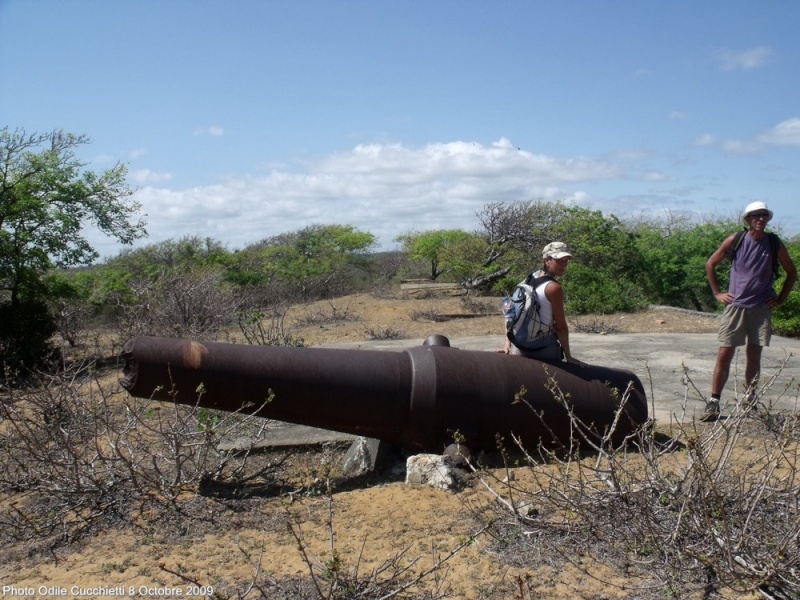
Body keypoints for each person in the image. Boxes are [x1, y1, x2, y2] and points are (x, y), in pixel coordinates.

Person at [702, 201, 797, 421]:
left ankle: (749, 399)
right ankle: (714, 402)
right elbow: (710, 264)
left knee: (754, 355)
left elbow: (791, 272)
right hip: (736, 307)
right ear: (748, 219)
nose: (760, 219)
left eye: (764, 215)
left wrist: (781, 299)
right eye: (756, 215)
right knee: (724, 354)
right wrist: (717, 292)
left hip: (761, 308)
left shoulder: (774, 243)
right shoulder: (736, 240)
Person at [502, 241, 581, 364]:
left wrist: (508, 343)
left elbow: (510, 314)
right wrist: (569, 357)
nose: (564, 265)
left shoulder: (526, 281)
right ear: (547, 260)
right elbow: (560, 326)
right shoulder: (554, 287)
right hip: (544, 350)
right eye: (559, 260)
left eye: (566, 261)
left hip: (519, 348)